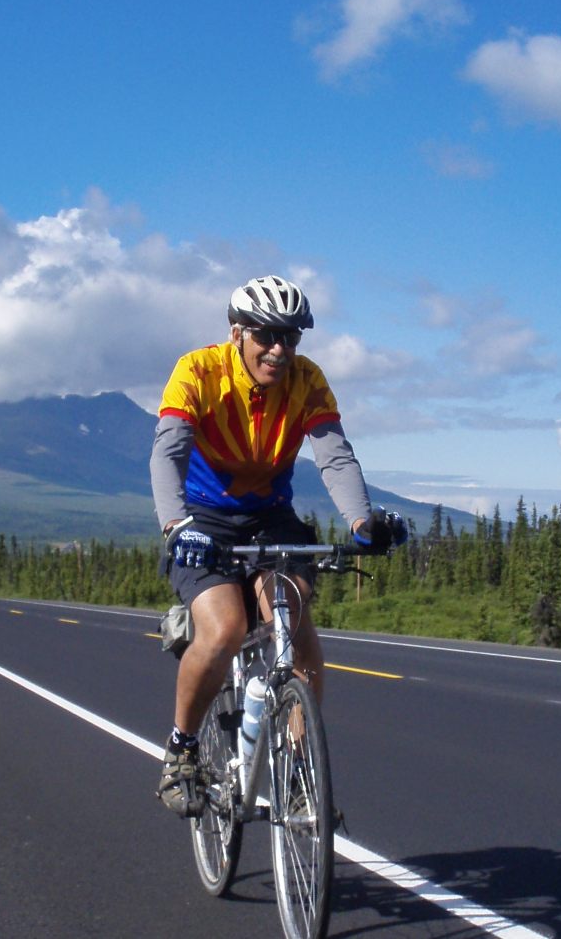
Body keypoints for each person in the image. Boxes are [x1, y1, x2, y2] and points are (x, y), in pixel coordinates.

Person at [150, 275, 406, 817]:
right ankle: (182, 752)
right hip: (204, 521)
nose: (279, 349)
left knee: (293, 622)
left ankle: (297, 769)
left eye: (291, 337)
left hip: (272, 519)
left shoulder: (308, 380)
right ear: (238, 333)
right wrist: (176, 525)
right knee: (224, 630)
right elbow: (168, 452)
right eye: (267, 336)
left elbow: (334, 456)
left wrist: (363, 523)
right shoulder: (197, 371)